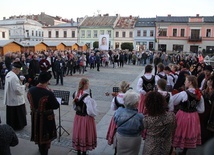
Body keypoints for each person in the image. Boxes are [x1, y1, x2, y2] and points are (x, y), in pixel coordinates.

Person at [168, 75, 205, 155]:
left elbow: (173, 101)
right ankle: (184, 152)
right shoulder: (199, 95)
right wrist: (194, 109)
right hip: (194, 116)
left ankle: (172, 150)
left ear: (190, 82)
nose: (185, 82)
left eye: (186, 81)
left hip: (183, 115)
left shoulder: (184, 93)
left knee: (177, 131)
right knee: (189, 133)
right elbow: (201, 110)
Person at [27, 71, 59, 155]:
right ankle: (44, 151)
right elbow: (56, 105)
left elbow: (30, 100)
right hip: (46, 118)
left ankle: (40, 148)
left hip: (35, 116)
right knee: (45, 136)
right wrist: (52, 94)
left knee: (37, 132)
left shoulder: (31, 90)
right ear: (47, 81)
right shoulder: (48, 93)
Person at [114, 90, 144, 155]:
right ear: (136, 104)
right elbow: (142, 128)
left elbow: (115, 121)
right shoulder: (140, 116)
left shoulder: (118, 111)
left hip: (121, 136)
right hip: (134, 138)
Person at [72, 78, 97, 155]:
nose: (89, 85)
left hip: (78, 117)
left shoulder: (75, 93)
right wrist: (94, 114)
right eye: (88, 84)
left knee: (79, 133)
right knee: (85, 133)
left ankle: (78, 150)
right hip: (85, 118)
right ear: (85, 85)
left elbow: (74, 107)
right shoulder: (87, 97)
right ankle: (84, 151)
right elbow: (90, 111)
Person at [106, 81, 130, 151]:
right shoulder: (129, 97)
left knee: (116, 133)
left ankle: (116, 149)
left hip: (117, 118)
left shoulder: (116, 98)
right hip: (127, 118)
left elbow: (113, 108)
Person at [3, 61, 28, 130]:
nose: (19, 71)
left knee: (11, 114)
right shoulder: (14, 77)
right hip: (15, 99)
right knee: (17, 114)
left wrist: (20, 81)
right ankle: (18, 126)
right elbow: (17, 90)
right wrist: (24, 86)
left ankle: (11, 125)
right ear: (15, 69)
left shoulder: (8, 74)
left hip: (10, 97)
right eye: (19, 70)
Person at [199, 75, 214, 144]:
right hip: (205, 111)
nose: (210, 82)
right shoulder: (205, 90)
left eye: (211, 81)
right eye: (209, 80)